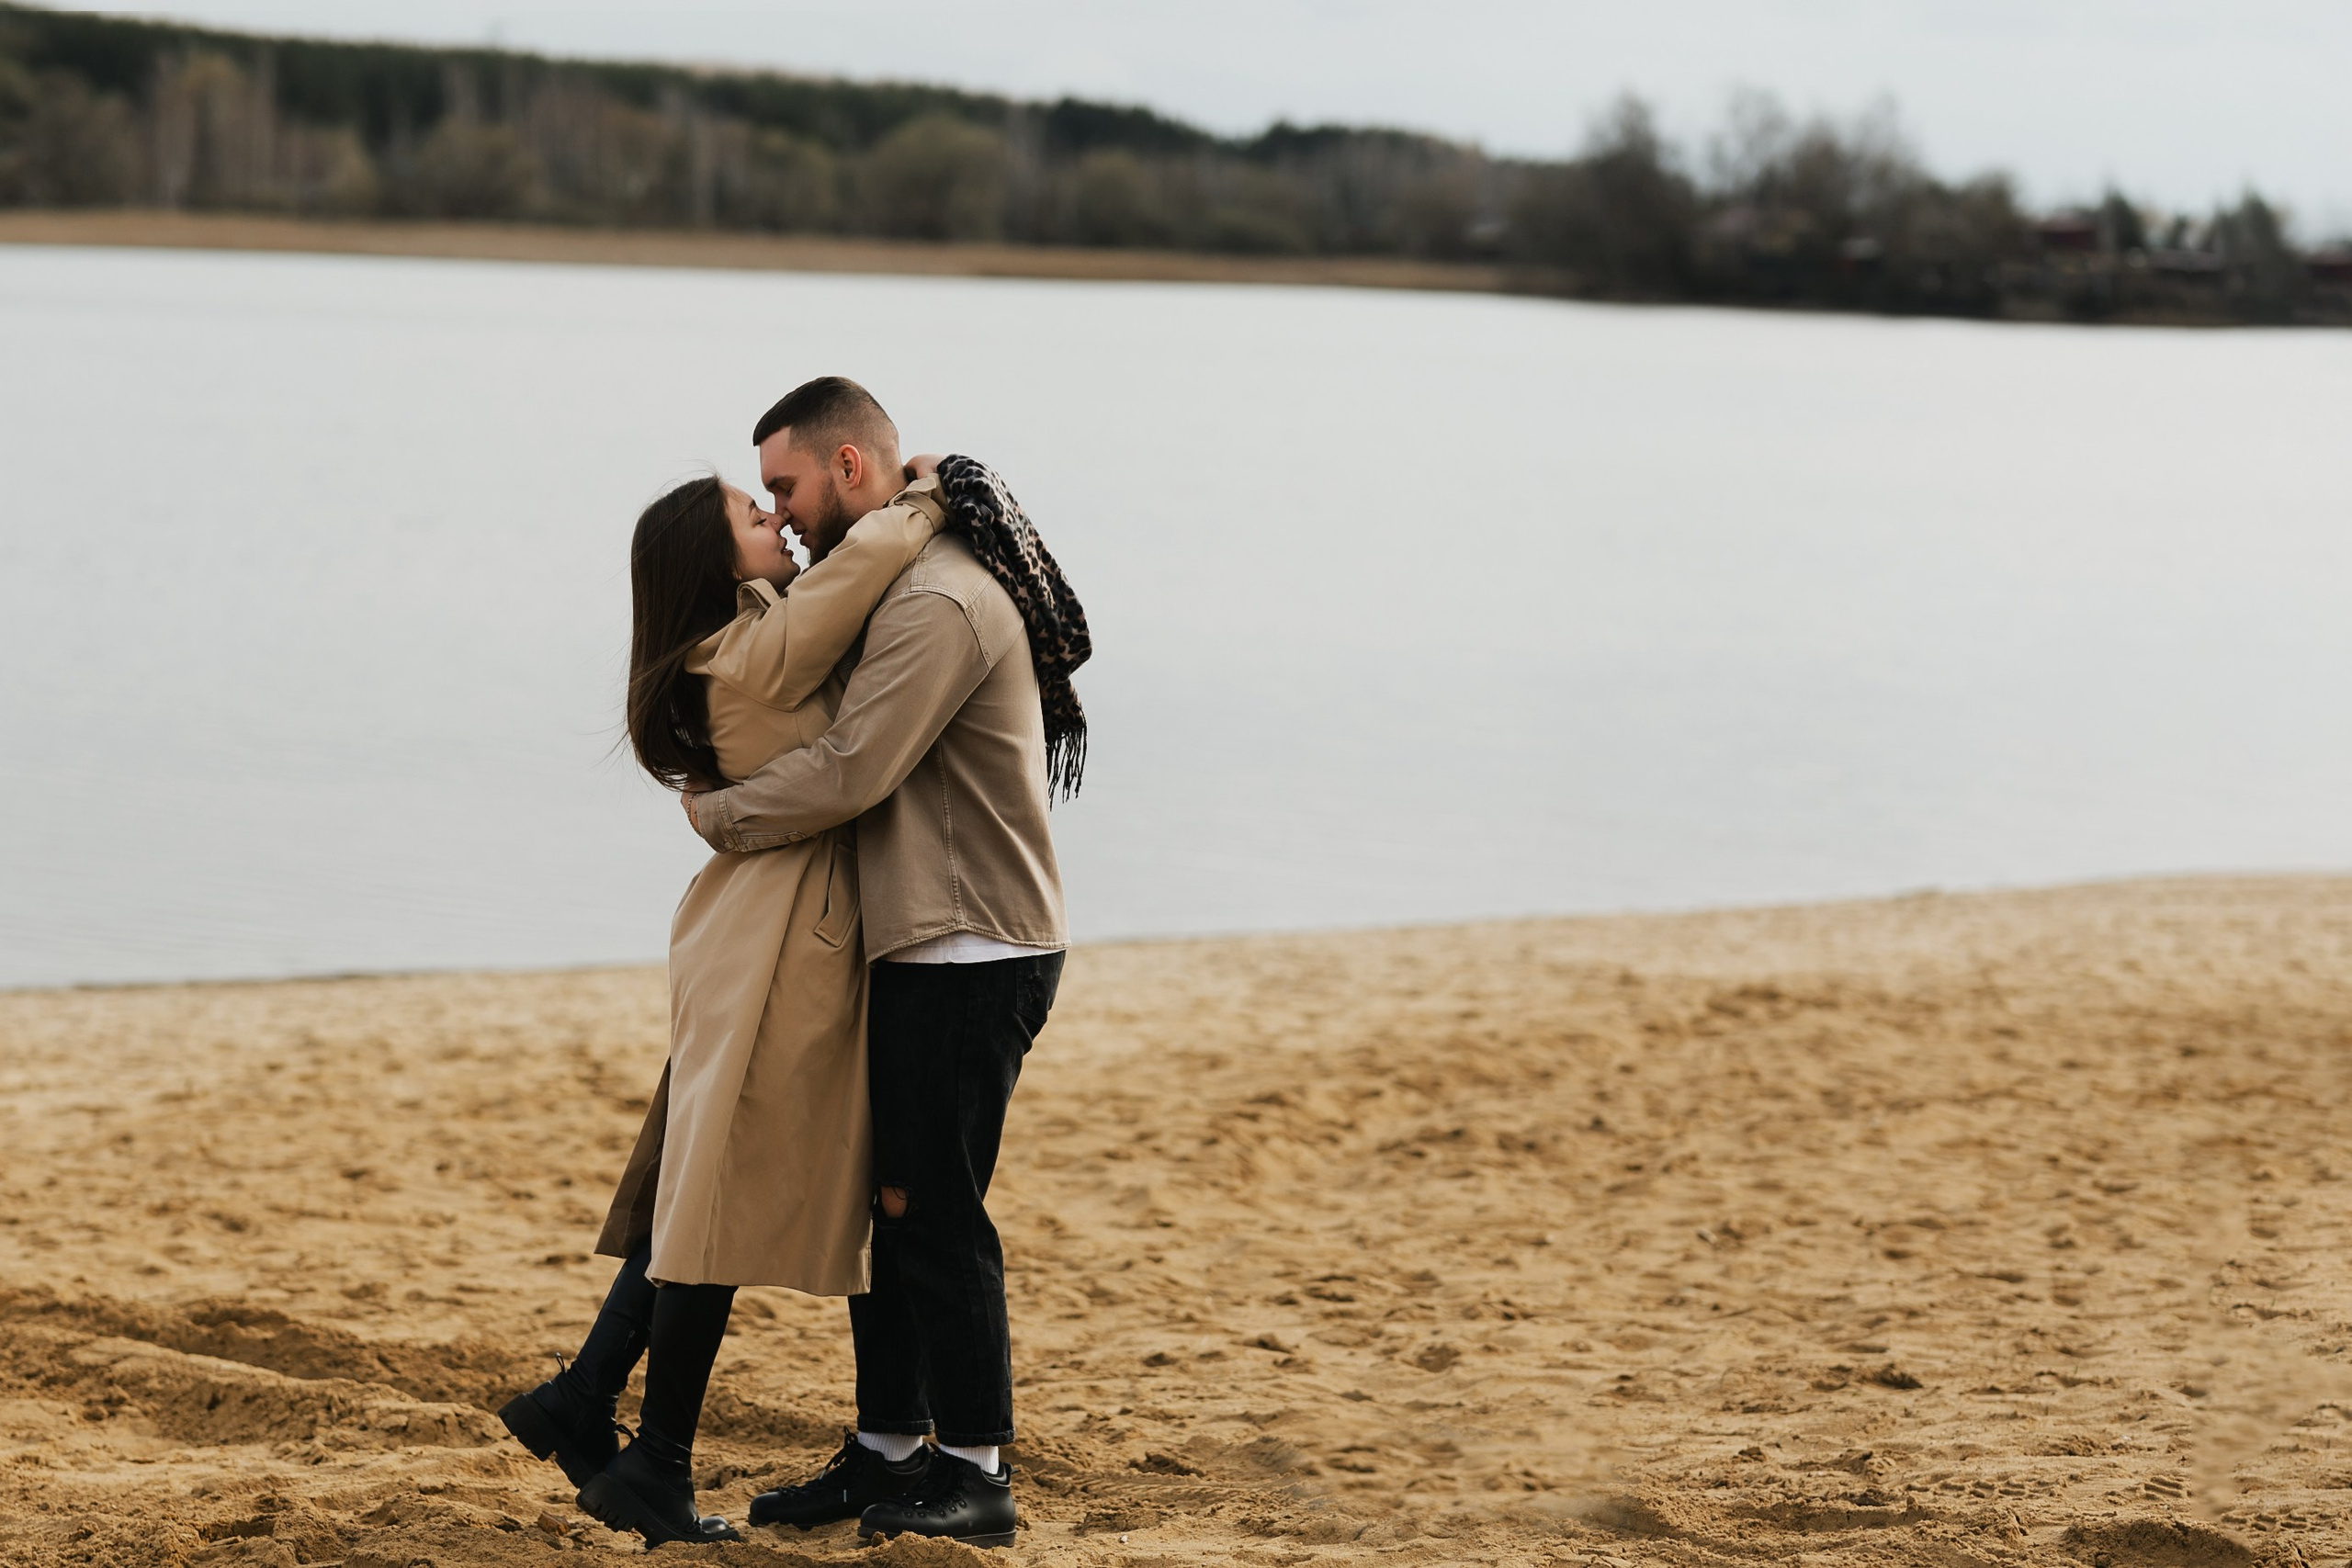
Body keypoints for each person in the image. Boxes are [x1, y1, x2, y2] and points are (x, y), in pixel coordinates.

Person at [498, 466, 947, 1544]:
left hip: (754, 932)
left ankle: (584, 1399)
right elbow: (864, 570)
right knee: (714, 1197)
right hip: (771, 944)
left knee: (704, 1184)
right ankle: (652, 1461)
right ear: (716, 557)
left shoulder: (738, 643)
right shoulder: (752, 649)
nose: (779, 524)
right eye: (756, 517)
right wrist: (932, 499)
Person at [681, 377, 1087, 1549]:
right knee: (890, 1204)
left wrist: (724, 815)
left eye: (786, 487)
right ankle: (886, 1453)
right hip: (925, 939)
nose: (785, 513)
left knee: (936, 1211)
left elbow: (855, 768)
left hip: (974, 945)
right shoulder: (897, 581)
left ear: (850, 468)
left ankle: (976, 1473)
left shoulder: (939, 604)